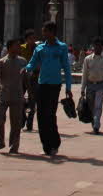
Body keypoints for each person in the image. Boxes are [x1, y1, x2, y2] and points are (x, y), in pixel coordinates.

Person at [24, 22, 73, 156]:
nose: (43, 34)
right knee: (40, 115)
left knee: (50, 114)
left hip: (55, 85)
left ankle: (55, 143)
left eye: (45, 31)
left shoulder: (62, 47)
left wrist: (68, 87)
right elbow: (32, 63)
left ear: (52, 32)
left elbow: (67, 69)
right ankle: (46, 145)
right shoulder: (40, 48)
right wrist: (25, 69)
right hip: (42, 84)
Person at [0, 38, 26, 153]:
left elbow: (26, 79)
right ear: (9, 48)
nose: (19, 47)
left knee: (16, 123)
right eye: (16, 45)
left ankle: (14, 146)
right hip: (3, 96)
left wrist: (30, 93)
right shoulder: (2, 62)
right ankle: (0, 142)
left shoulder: (23, 62)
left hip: (17, 96)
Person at [81, 37, 103, 134]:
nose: (98, 47)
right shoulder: (87, 59)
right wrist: (82, 89)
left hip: (101, 85)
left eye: (100, 45)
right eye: (96, 45)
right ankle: (94, 122)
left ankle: (96, 125)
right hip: (90, 85)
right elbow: (84, 74)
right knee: (91, 106)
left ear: (102, 47)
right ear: (93, 47)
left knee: (98, 106)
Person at [19, 30, 38, 131]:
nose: (33, 41)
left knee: (33, 100)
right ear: (26, 40)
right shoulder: (21, 48)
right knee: (19, 98)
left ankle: (30, 121)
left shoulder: (38, 49)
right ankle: (22, 116)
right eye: (30, 39)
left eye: (34, 38)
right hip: (22, 78)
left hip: (34, 78)